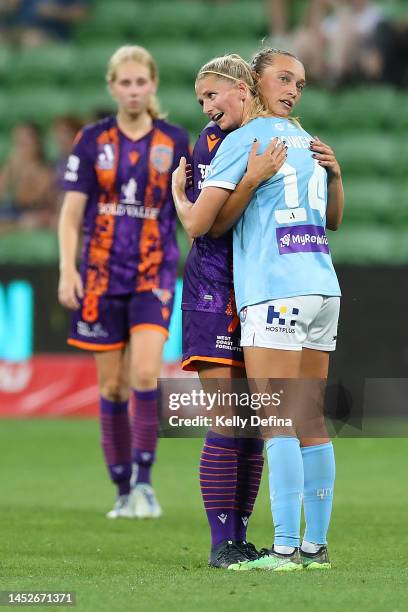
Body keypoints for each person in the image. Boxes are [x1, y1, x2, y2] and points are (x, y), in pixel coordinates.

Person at [172, 49, 344, 571]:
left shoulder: (245, 139)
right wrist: (336, 177)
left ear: (246, 86)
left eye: (298, 81)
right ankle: (315, 547)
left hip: (276, 290)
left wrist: (182, 197)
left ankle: (287, 547)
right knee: (311, 420)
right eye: (286, 78)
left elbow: (202, 226)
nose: (293, 89)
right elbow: (333, 220)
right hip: (324, 289)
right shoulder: (309, 141)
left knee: (275, 421)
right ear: (260, 81)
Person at [58, 45, 191, 519]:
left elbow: (190, 207)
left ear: (153, 85)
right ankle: (120, 489)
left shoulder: (175, 141)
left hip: (153, 274)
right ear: (112, 87)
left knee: (144, 375)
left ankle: (146, 484)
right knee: (112, 387)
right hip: (99, 275)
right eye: (125, 83)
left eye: (141, 82)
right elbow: (71, 214)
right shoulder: (92, 140)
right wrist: (67, 268)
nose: (134, 91)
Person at [183, 75, 287, 567]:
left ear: (242, 90)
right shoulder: (215, 144)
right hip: (212, 288)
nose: (205, 106)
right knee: (227, 418)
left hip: (252, 288)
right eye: (200, 98)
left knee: (253, 425)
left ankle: (239, 538)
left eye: (211, 95)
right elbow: (207, 224)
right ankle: (220, 542)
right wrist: (253, 177)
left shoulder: (257, 135)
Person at [0, 121, 55, 230]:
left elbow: (24, 199)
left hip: (24, 218)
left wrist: (24, 174)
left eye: (26, 141)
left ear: (37, 143)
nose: (22, 146)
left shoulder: (45, 172)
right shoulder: (10, 167)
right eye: (19, 142)